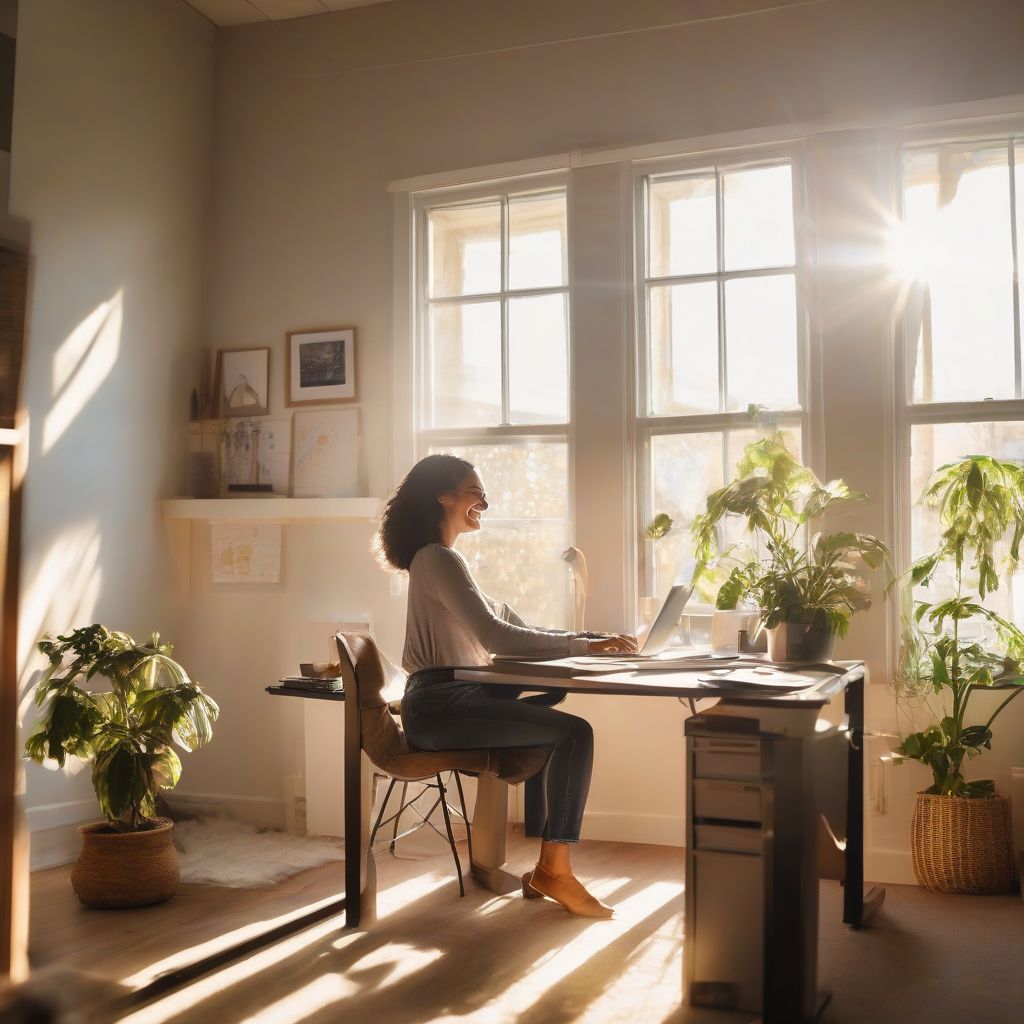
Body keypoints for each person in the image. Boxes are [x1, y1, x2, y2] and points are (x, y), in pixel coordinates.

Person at [376, 453, 636, 919]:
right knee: (574, 733)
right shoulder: (436, 558)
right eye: (476, 492)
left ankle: (550, 866)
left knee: (561, 721)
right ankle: (554, 871)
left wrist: (591, 640)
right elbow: (496, 637)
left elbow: (514, 626)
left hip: (455, 700)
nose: (486, 503)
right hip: (439, 708)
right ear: (443, 495)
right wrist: (587, 647)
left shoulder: (444, 562)